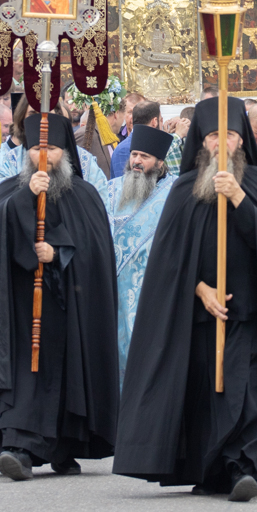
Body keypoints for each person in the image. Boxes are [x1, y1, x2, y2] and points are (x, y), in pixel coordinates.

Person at [115, 96, 257, 501]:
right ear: (200, 144)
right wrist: (198, 288)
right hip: (200, 315)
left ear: (242, 142)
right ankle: (210, 468)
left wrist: (239, 198)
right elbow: (167, 261)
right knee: (208, 393)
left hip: (252, 314)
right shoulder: (184, 189)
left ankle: (243, 467)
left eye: (230, 136)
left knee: (248, 393)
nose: (221, 145)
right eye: (212, 137)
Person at [0, 110, 118, 479]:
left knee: (67, 378)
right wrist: (26, 198)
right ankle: (18, 447)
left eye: (51, 148)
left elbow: (96, 252)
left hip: (70, 307)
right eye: (36, 147)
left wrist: (59, 253)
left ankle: (64, 446)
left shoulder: (85, 196)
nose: (43, 156)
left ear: (65, 151)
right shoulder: (11, 190)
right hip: (22, 309)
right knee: (26, 376)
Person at [100, 124, 176, 382]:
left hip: (155, 289)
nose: (137, 161)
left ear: (160, 162)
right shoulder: (109, 190)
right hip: (112, 291)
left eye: (144, 157)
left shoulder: (174, 194)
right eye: (134, 155)